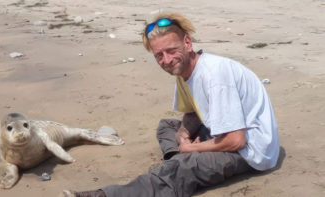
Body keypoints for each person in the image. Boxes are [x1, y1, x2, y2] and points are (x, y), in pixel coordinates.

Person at [62, 12, 280, 197]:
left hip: (251, 152)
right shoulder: (186, 71)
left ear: (187, 43)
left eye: (171, 50)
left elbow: (236, 140)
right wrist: (184, 134)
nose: (166, 60)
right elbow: (193, 113)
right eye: (159, 55)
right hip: (223, 133)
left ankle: (107, 194)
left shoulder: (215, 75)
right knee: (168, 126)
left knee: (179, 169)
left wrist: (192, 147)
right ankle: (175, 163)